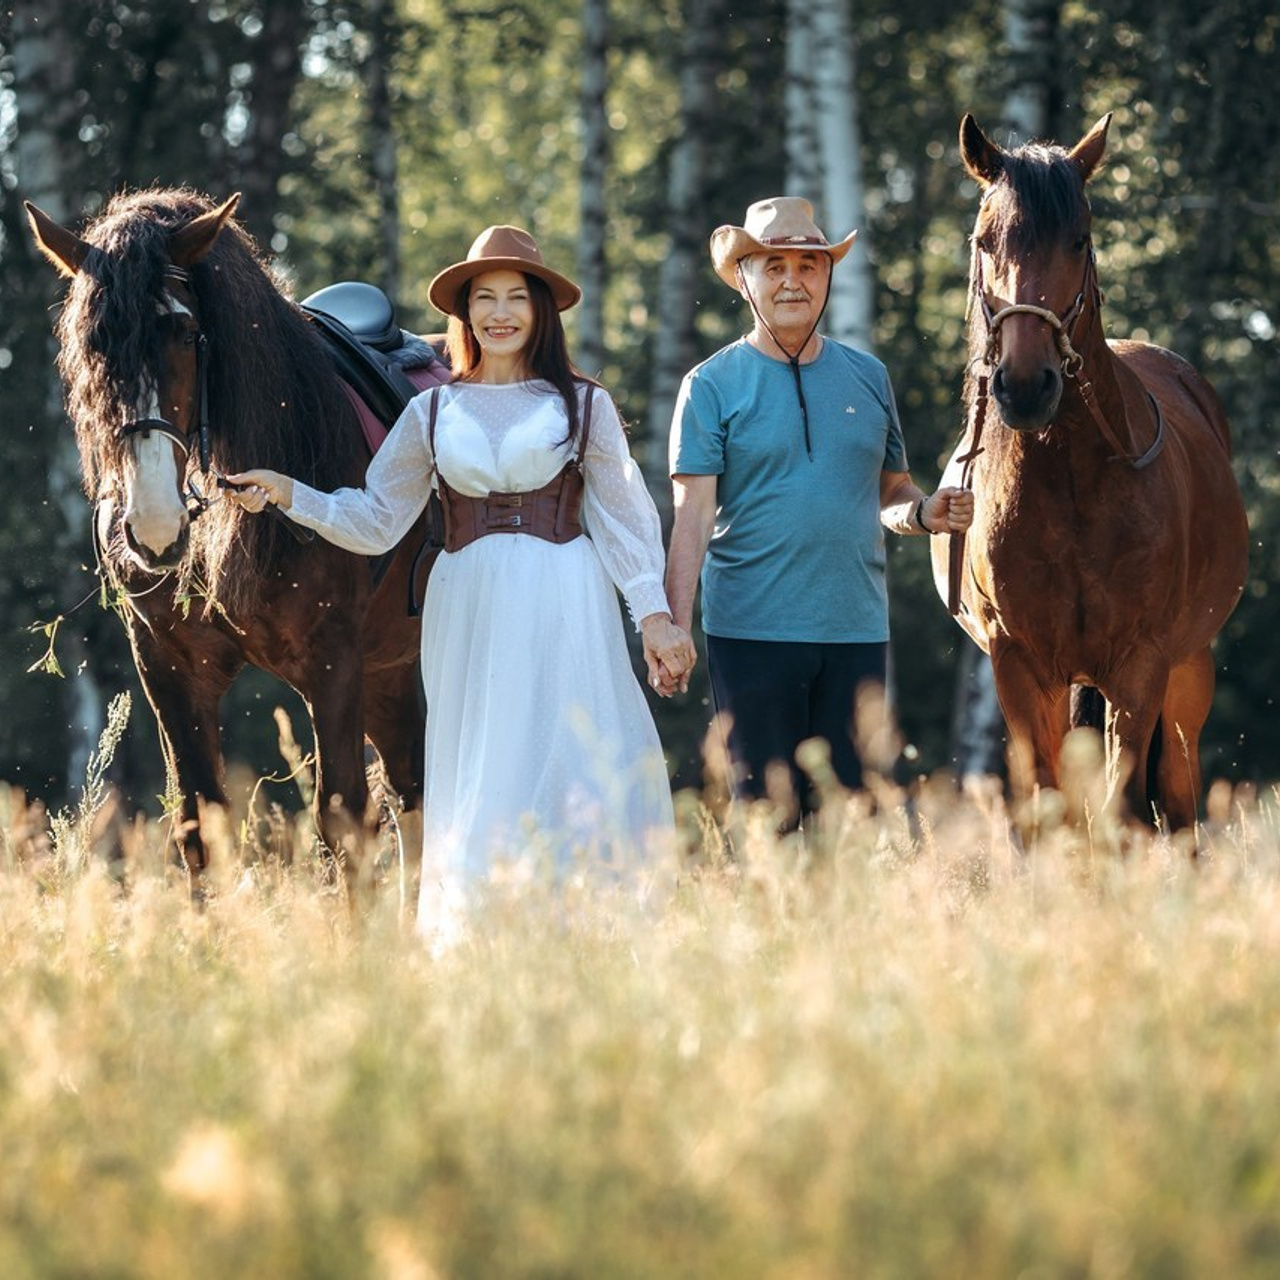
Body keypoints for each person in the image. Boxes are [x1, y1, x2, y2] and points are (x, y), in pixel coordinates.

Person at [229, 225, 696, 938]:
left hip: (564, 588)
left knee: (567, 748)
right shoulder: (432, 411)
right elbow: (380, 518)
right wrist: (292, 493)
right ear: (465, 312)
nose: (500, 313)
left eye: (517, 297)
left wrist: (655, 618)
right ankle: (488, 937)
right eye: (485, 298)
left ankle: (588, 932)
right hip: (466, 598)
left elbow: (625, 516)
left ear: (542, 311)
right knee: (483, 758)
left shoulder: (583, 404)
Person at [665, 196, 973, 821]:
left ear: (827, 277)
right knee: (766, 816)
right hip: (750, 631)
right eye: (773, 266)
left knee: (852, 820)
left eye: (809, 265)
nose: (792, 280)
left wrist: (924, 514)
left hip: (856, 631)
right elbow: (691, 517)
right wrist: (673, 626)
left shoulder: (868, 376)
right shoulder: (710, 384)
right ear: (744, 280)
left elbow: (890, 492)